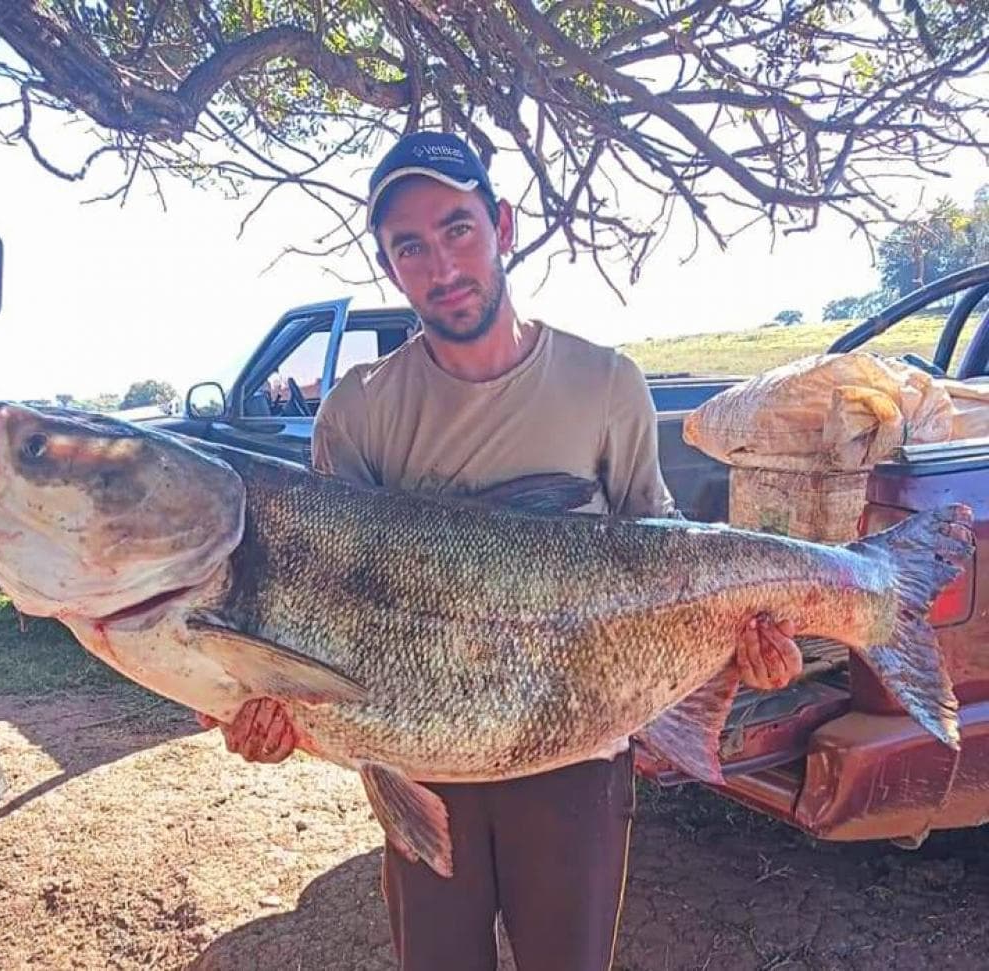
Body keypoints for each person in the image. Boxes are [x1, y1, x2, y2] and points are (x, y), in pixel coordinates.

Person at [202, 131, 803, 971]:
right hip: (417, 760)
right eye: (410, 247)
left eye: (458, 230)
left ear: (503, 226)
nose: (441, 265)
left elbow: (666, 566)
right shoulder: (358, 415)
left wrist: (742, 652)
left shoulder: (606, 384)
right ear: (389, 266)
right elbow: (329, 606)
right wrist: (277, 709)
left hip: (578, 759)